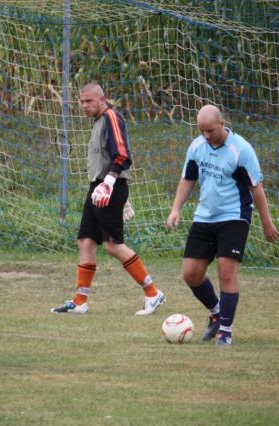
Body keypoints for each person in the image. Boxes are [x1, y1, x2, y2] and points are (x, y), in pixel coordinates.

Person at [166, 105, 279, 346]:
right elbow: (188, 179)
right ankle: (217, 312)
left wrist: (267, 222)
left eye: (210, 130)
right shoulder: (197, 147)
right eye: (201, 130)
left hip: (234, 216)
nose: (205, 135)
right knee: (190, 273)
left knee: (226, 273)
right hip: (204, 216)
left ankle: (225, 332)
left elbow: (256, 189)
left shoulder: (242, 150)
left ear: (222, 123)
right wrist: (175, 209)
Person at [51, 83, 166, 315]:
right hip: (97, 188)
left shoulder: (112, 117)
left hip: (108, 188)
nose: (84, 105)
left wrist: (109, 183)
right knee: (85, 241)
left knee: (113, 245)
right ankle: (80, 302)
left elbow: (122, 155)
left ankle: (153, 293)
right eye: (81, 102)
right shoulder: (97, 122)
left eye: (89, 101)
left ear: (102, 99)